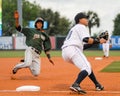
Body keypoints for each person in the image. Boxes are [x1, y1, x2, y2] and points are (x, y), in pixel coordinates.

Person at [61, 12, 106, 94]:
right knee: (86, 67)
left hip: (66, 52)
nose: (87, 20)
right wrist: (99, 40)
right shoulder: (81, 26)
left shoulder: (75, 28)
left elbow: (84, 46)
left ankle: (97, 84)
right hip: (72, 49)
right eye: (85, 18)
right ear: (80, 20)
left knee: (87, 66)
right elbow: (86, 39)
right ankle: (76, 84)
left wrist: (97, 40)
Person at [12, 11, 54, 76]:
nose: (39, 24)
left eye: (41, 23)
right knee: (27, 63)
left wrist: (49, 58)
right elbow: (18, 28)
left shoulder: (45, 35)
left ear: (42, 25)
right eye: (38, 23)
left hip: (37, 55)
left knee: (36, 74)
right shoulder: (30, 30)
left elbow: (46, 48)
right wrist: (17, 19)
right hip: (30, 50)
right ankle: (16, 68)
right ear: (36, 24)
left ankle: (29, 61)